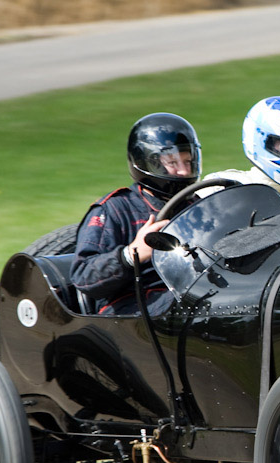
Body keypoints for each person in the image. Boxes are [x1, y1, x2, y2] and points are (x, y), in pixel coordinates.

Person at [72, 112, 201, 315]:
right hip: (132, 307)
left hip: (193, 295)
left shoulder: (197, 206)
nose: (184, 171)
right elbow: (83, 277)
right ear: (147, 162)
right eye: (174, 163)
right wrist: (132, 254)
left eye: (187, 162)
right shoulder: (115, 209)